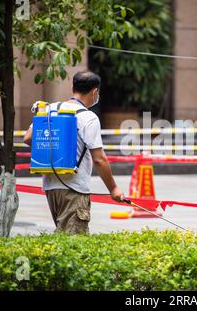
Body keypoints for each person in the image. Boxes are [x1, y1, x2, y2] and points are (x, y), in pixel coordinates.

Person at [23, 70, 125, 234]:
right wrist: (113, 189)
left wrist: (53, 149)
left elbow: (27, 138)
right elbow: (100, 160)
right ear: (94, 91)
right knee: (73, 244)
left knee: (62, 236)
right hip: (74, 188)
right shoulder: (88, 117)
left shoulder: (50, 108)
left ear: (74, 87)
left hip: (50, 186)